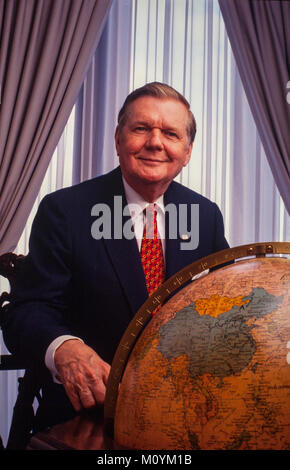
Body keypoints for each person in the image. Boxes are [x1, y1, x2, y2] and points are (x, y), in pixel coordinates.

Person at [2, 82, 229, 432]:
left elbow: (227, 307)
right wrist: (64, 349)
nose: (155, 142)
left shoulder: (204, 215)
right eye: (141, 129)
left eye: (170, 133)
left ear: (187, 151)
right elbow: (27, 311)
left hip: (184, 418)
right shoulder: (66, 211)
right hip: (87, 419)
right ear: (118, 139)